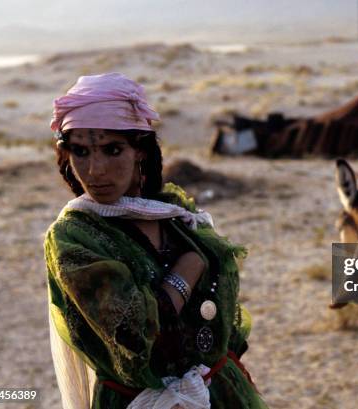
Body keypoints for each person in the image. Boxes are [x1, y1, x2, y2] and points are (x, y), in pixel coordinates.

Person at [45, 73, 267, 409]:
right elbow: (131, 330)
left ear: (140, 152)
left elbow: (223, 318)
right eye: (80, 152)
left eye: (112, 150)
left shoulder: (176, 215)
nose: (95, 170)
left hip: (218, 392)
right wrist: (186, 271)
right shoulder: (74, 236)